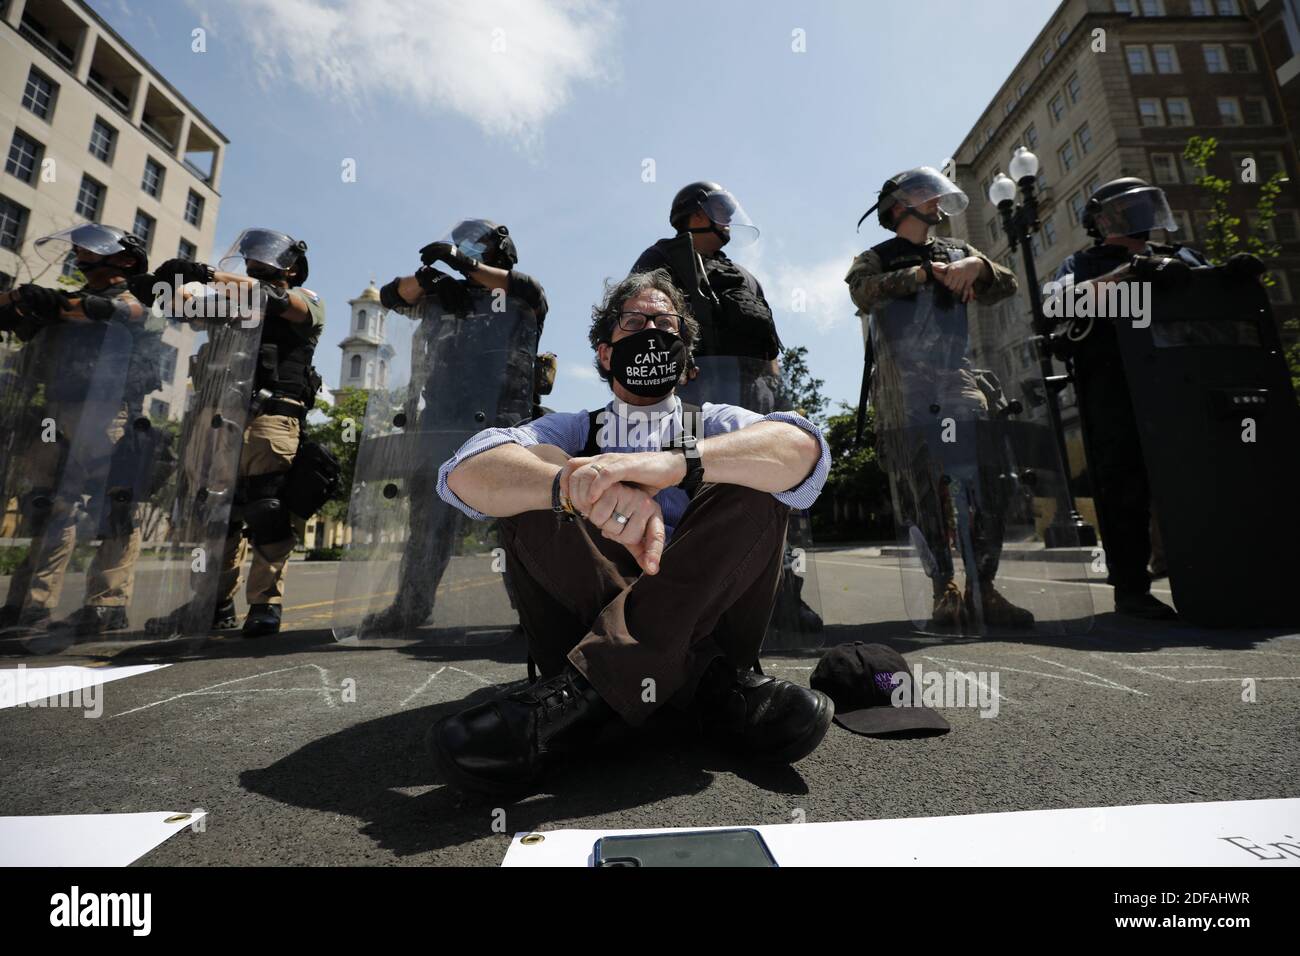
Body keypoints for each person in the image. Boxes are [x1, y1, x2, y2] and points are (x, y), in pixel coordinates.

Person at [427, 269, 834, 794]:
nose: (650, 332)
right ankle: (707, 689)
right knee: (531, 476)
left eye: (666, 325)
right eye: (634, 322)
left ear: (686, 361)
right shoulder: (572, 428)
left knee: (757, 477)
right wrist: (574, 485)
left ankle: (588, 695)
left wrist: (680, 464)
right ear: (603, 352)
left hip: (705, 621)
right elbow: (463, 472)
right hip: (586, 616)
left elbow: (804, 449)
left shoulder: (714, 422)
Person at [846, 166, 1034, 630]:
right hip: (904, 387)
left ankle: (983, 587)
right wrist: (922, 275)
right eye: (922, 193)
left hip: (957, 379)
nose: (935, 199)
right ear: (898, 206)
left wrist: (979, 266)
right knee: (923, 489)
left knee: (988, 479)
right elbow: (861, 293)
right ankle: (943, 589)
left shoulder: (959, 250)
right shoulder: (876, 256)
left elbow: (1006, 284)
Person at [633, 181, 822, 637]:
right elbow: (644, 321)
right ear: (693, 214)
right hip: (698, 398)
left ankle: (782, 596)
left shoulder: (740, 274)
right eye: (717, 209)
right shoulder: (660, 260)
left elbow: (769, 341)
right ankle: (703, 605)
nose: (726, 218)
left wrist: (778, 396)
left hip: (755, 392)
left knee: (773, 492)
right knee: (701, 496)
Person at [360, 219, 548, 634]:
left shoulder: (521, 294)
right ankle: (409, 608)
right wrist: (430, 279)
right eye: (460, 245)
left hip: (503, 424)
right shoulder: (444, 297)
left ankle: (533, 612)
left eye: (475, 246)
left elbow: (525, 291)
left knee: (514, 524)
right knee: (428, 521)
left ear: (500, 251)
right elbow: (393, 296)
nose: (465, 251)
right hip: (441, 423)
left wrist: (463, 265)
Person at [148, 228, 324, 637]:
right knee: (214, 515)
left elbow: (274, 300)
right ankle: (212, 603)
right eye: (252, 257)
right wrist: (165, 281)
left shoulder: (306, 301)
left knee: (266, 509)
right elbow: (174, 305)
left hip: (269, 418)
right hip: (214, 417)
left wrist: (206, 273)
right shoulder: (227, 301)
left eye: (269, 257)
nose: (258, 262)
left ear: (292, 268)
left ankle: (265, 604)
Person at [1051, 177, 1208, 620]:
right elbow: (1059, 305)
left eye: (1142, 205)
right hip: (1114, 385)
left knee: (1196, 476)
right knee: (1123, 485)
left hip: (1182, 383)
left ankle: (1213, 570)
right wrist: (1125, 274)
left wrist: (1231, 276)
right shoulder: (1081, 262)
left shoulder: (1178, 255)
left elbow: (1211, 293)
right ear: (1099, 222)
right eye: (1123, 209)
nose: (1136, 216)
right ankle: (1132, 588)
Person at [0, 224, 159, 637]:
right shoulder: (64, 302)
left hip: (110, 411)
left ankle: (108, 603)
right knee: (48, 504)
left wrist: (48, 302)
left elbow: (113, 313)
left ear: (124, 259)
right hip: (57, 409)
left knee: (115, 508)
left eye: (91, 250)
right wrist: (17, 303)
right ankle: (31, 605)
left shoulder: (135, 296)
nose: (81, 255)